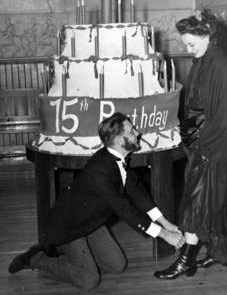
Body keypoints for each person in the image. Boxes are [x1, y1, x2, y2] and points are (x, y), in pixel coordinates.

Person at [8, 112, 184, 289]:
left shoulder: (117, 161)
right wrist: (163, 234)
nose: (137, 133)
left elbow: (139, 194)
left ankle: (77, 254)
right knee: (89, 279)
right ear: (118, 139)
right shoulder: (99, 171)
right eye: (132, 131)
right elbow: (125, 209)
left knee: (116, 266)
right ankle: (37, 258)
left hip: (91, 222)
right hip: (69, 227)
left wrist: (166, 223)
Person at [154, 9, 227, 280]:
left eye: (191, 43)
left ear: (208, 35)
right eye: (186, 44)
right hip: (203, 142)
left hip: (213, 147)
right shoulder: (204, 59)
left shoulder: (220, 65)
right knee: (212, 203)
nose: (188, 49)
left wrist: (201, 143)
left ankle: (186, 261)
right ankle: (219, 253)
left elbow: (225, 117)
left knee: (195, 205)